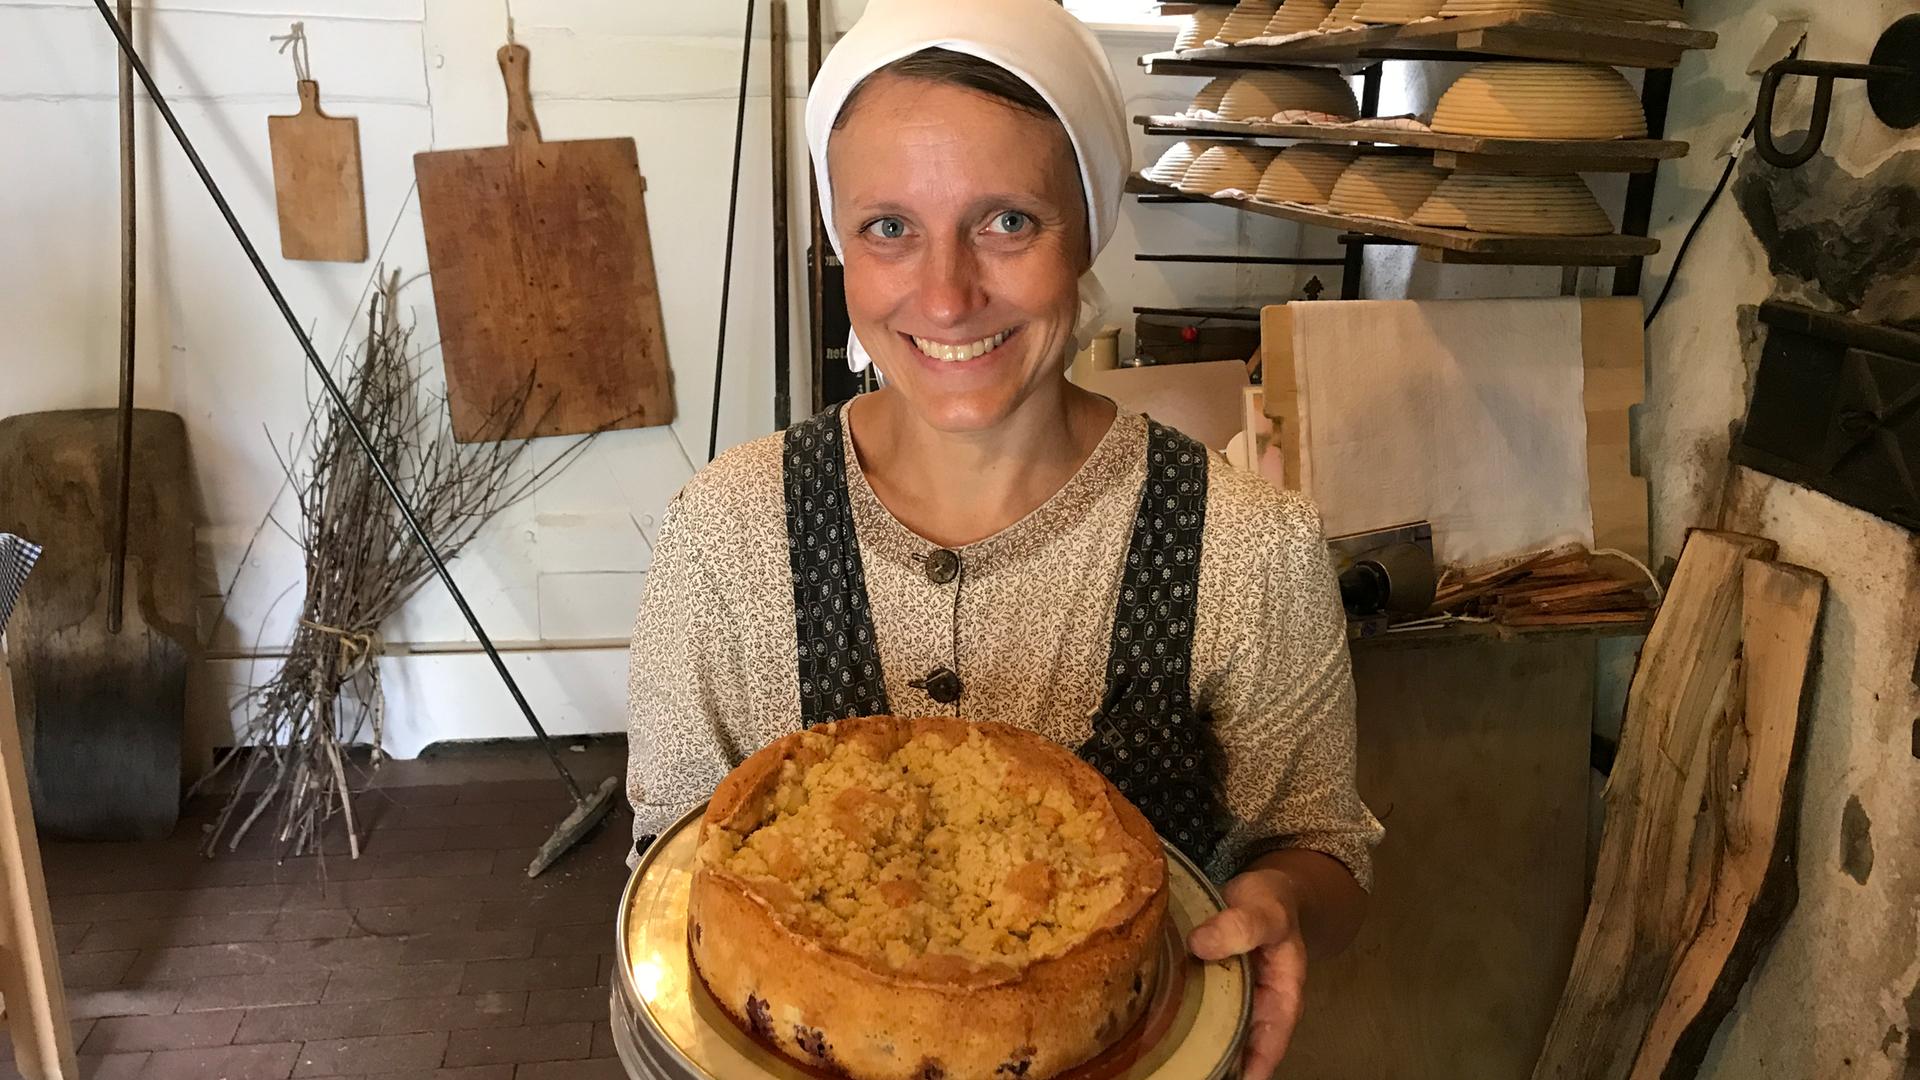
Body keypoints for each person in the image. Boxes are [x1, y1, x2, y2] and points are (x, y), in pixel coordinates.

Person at [625, 0, 1383, 1073]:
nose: (946, 293)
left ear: (1087, 227)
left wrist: (1286, 900)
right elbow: (675, 864)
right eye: (890, 228)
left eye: (1007, 222)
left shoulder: (1246, 547)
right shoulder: (725, 531)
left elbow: (1324, 851)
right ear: (844, 246)